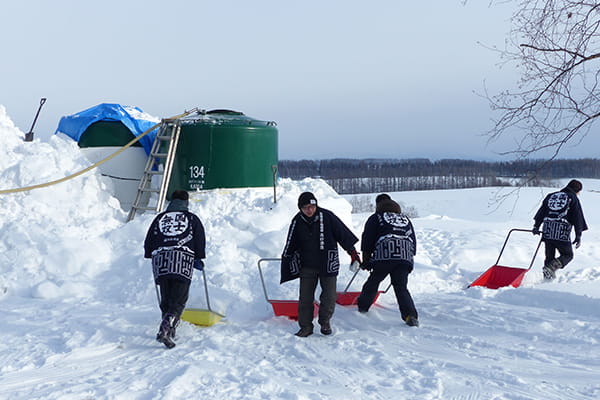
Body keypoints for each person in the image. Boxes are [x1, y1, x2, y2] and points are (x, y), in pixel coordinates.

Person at [281, 192, 360, 337]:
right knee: (305, 298)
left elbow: (343, 235)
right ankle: (305, 326)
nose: (309, 210)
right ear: (300, 209)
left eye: (312, 206)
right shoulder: (297, 221)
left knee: (329, 297)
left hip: (327, 263)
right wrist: (286, 258)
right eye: (305, 208)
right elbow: (291, 242)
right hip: (307, 265)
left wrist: (353, 253)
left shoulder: (328, 217)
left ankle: (325, 322)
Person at [144, 190, 206, 348]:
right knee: (179, 299)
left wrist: (151, 254)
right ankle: (166, 329)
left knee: (167, 297)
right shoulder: (191, 218)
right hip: (182, 261)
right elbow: (199, 239)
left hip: (161, 261)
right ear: (186, 202)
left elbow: (149, 240)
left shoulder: (159, 218)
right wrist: (198, 257)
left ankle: (170, 328)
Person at [357, 195, 419, 327]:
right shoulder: (405, 219)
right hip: (404, 257)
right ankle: (410, 316)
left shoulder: (376, 217)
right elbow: (412, 239)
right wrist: (409, 256)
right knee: (401, 287)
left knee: (374, 282)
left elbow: (367, 239)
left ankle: (362, 307)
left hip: (384, 256)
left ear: (378, 204)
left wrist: (366, 260)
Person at [533, 179, 588, 280]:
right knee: (568, 255)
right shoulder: (572, 198)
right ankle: (551, 268)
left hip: (548, 230)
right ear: (577, 190)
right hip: (561, 232)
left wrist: (536, 226)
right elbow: (577, 217)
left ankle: (547, 279)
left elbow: (541, 211)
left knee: (549, 257)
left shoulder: (551, 195)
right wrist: (578, 235)